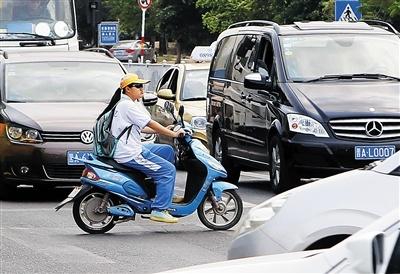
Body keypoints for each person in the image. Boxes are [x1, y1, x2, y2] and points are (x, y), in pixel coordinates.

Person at [98, 73, 185, 223]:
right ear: (127, 89)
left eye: (142, 86)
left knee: (167, 151)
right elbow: (150, 123)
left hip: (134, 147)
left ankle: (163, 192)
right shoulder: (127, 105)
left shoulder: (128, 103)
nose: (141, 89)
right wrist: (173, 134)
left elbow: (142, 128)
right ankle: (159, 209)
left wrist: (166, 128)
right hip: (130, 153)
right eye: (137, 86)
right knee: (167, 171)